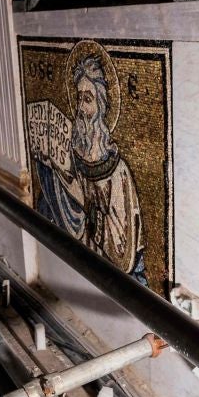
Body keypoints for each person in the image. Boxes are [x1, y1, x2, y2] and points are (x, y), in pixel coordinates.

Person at [33, 41, 146, 284]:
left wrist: (86, 206)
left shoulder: (118, 173)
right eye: (79, 98)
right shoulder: (72, 153)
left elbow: (123, 255)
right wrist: (48, 168)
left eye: (88, 99)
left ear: (102, 105)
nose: (82, 109)